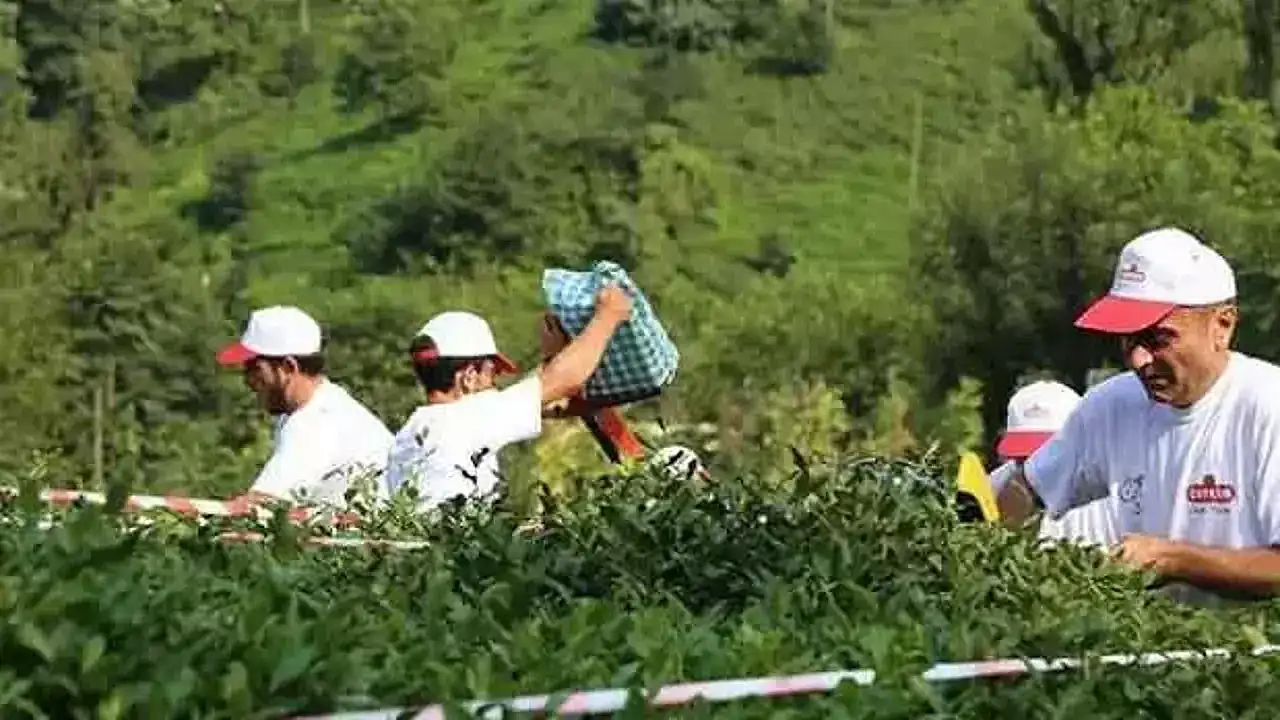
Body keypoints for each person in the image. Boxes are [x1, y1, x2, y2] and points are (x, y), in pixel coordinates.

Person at [994, 226, 1280, 599]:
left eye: (1159, 339)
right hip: (1151, 648)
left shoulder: (1267, 407)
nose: (1139, 360)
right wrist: (978, 524)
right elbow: (1027, 489)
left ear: (1222, 326)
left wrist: (1175, 560)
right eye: (1129, 339)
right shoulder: (1111, 406)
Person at [383, 285, 633, 510]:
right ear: (469, 376)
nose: (496, 385)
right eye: (491, 375)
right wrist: (608, 314)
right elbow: (563, 380)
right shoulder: (468, 420)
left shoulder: (411, 434)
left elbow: (534, 392)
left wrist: (550, 384)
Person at [216, 305, 394, 507]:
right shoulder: (322, 404)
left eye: (254, 369)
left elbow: (261, 504)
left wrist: (182, 508)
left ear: (288, 367)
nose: (247, 379)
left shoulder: (316, 421)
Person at [991, 379, 1118, 548]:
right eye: (1025, 455)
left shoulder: (1116, 491)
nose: (1035, 465)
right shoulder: (994, 487)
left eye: (1050, 455)